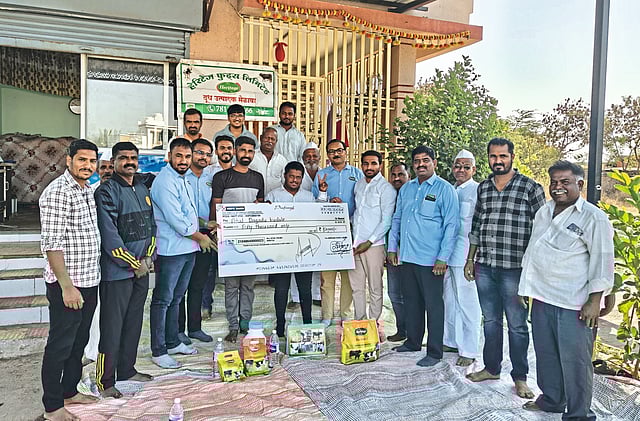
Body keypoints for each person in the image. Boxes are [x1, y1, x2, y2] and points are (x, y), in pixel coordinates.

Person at [519, 161, 613, 419]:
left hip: (574, 302)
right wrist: (525, 286)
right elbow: (533, 251)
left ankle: (579, 414)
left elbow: (603, 260)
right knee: (546, 354)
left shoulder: (593, 217)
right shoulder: (544, 211)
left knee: (576, 362)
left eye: (565, 182)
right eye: (554, 182)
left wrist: (595, 300)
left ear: (579, 184)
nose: (558, 187)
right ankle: (552, 400)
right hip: (542, 296)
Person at [464, 137, 546, 398]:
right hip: (485, 266)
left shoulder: (530, 187)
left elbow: (543, 230)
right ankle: (491, 368)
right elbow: (477, 225)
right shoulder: (484, 187)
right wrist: (470, 259)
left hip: (515, 269)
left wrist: (534, 271)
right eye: (493, 156)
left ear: (512, 157)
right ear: (488, 158)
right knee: (490, 321)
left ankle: (520, 378)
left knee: (517, 325)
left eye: (503, 156)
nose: (497, 161)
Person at [39, 139, 101, 421]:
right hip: (68, 285)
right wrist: (66, 286)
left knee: (79, 342)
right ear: (69, 160)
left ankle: (69, 391)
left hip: (88, 280)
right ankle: (53, 407)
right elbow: (52, 245)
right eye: (82, 160)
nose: (87, 165)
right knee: (60, 345)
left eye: (92, 161)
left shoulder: (86, 189)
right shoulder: (58, 192)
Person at [387, 145, 459, 367]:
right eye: (417, 161)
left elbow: (451, 225)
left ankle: (435, 352)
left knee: (433, 306)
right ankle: (413, 342)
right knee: (411, 302)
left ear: (434, 163)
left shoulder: (445, 189)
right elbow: (397, 219)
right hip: (407, 256)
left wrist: (443, 258)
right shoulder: (407, 189)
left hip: (431, 260)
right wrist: (392, 247)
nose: (421, 164)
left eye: (425, 160)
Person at [94, 142, 156, 398]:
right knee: (112, 327)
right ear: (114, 161)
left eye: (133, 157)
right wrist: (134, 263)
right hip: (117, 273)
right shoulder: (106, 192)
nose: (129, 162)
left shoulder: (141, 187)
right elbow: (110, 237)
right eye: (123, 158)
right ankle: (105, 381)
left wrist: (149, 257)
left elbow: (151, 225)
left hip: (142, 270)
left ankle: (127, 370)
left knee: (133, 322)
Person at [150, 138, 215, 369]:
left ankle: (172, 342)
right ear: (169, 156)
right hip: (171, 250)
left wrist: (205, 223)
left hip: (188, 248)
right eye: (179, 156)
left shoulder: (183, 179)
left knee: (176, 298)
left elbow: (188, 212)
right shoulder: (164, 181)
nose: (183, 161)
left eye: (187, 156)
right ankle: (159, 350)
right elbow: (176, 219)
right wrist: (201, 237)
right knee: (162, 300)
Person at [209, 136, 265, 343]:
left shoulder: (258, 178)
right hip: (229, 241)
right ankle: (233, 326)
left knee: (248, 286)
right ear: (234, 151)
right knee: (231, 286)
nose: (246, 154)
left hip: (251, 241)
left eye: (250, 151)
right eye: (243, 150)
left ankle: (245, 324)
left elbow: (260, 207)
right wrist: (213, 229)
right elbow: (215, 206)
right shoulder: (221, 177)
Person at [265, 161, 328, 336]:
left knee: (305, 290)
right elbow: (265, 219)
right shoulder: (273, 195)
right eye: (291, 176)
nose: (294, 180)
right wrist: (262, 208)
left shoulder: (308, 196)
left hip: (304, 250)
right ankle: (280, 326)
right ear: (285, 176)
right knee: (281, 290)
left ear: (302, 178)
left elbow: (319, 213)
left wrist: (323, 193)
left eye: (298, 177)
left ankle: (307, 323)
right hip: (281, 251)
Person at [312, 139, 363, 326]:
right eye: (332, 151)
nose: (336, 154)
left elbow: (362, 203)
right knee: (327, 277)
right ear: (327, 154)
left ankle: (345, 315)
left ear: (345, 152)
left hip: (351, 229)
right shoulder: (322, 175)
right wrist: (326, 198)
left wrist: (345, 207)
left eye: (339, 150)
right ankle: (326, 315)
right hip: (328, 230)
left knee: (349, 276)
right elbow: (315, 203)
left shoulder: (357, 174)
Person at [442, 150, 482, 367]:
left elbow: (479, 226)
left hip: (466, 254)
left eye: (466, 167)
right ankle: (450, 341)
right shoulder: (449, 190)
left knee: (468, 303)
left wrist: (472, 259)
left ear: (473, 169)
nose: (461, 170)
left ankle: (469, 349)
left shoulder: (478, 191)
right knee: (449, 301)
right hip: (446, 254)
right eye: (458, 166)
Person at [177, 138, 217, 345]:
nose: (204, 157)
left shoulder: (211, 177)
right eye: (200, 153)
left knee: (198, 284)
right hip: (184, 234)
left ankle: (195, 328)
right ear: (191, 154)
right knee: (181, 287)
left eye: (208, 154)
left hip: (206, 235)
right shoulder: (181, 177)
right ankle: (178, 331)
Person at [349, 150, 396, 321]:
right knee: (357, 287)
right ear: (361, 165)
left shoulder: (386, 188)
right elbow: (357, 214)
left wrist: (369, 242)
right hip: (355, 244)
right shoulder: (359, 184)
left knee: (375, 288)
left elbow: (386, 221)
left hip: (374, 246)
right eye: (366, 163)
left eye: (373, 163)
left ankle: (373, 323)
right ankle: (359, 321)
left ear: (380, 165)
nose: (369, 167)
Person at [83, 149, 114, 366]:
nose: (107, 171)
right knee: (95, 308)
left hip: (117, 260)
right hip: (93, 259)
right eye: (103, 167)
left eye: (111, 167)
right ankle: (92, 350)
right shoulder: (91, 192)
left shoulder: (123, 192)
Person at [201, 135, 235, 320]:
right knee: (208, 270)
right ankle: (205, 306)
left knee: (234, 269)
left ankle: (234, 312)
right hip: (210, 228)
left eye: (229, 148)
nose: (226, 151)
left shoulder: (240, 172)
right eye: (222, 148)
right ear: (217, 151)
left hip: (233, 229)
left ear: (233, 151)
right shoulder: (207, 173)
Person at [385, 162, 410, 342]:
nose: (396, 178)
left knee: (411, 295)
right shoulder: (388, 195)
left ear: (408, 175)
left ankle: (414, 332)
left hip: (411, 254)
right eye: (393, 175)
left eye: (401, 174)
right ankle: (402, 330)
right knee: (394, 294)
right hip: (392, 253)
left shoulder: (413, 194)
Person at [249, 127, 288, 194]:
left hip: (275, 198)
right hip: (254, 198)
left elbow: (285, 182)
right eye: (267, 138)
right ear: (261, 138)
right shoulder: (252, 156)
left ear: (276, 141)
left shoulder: (282, 160)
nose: (269, 141)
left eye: (272, 139)